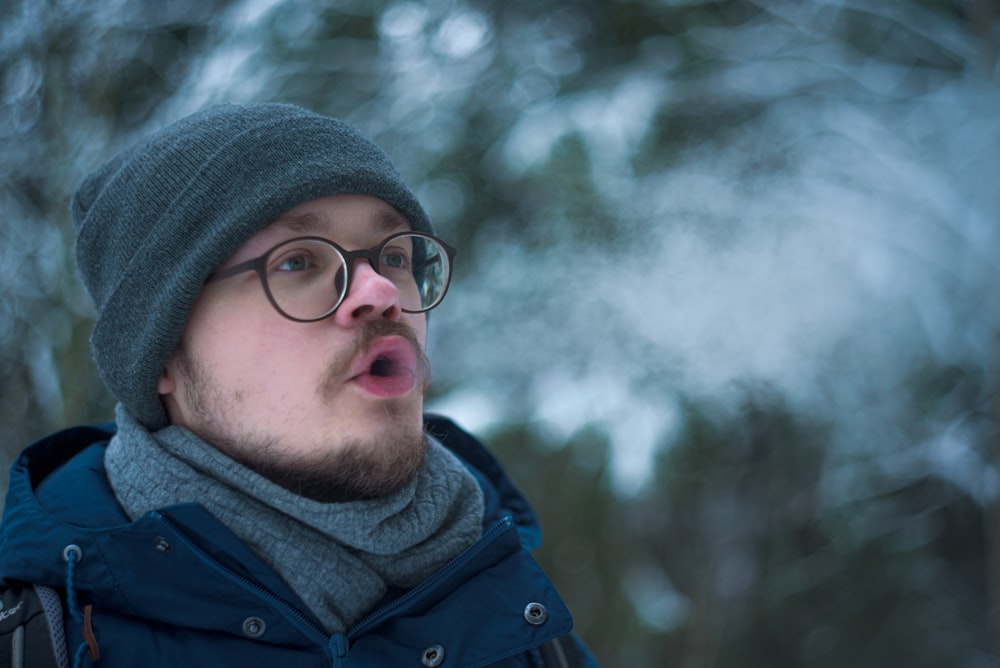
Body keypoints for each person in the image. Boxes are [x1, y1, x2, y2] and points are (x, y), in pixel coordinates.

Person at [0, 103, 597, 668]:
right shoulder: (41, 639)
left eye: (394, 257)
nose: (382, 292)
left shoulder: (523, 626)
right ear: (161, 353)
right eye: (297, 262)